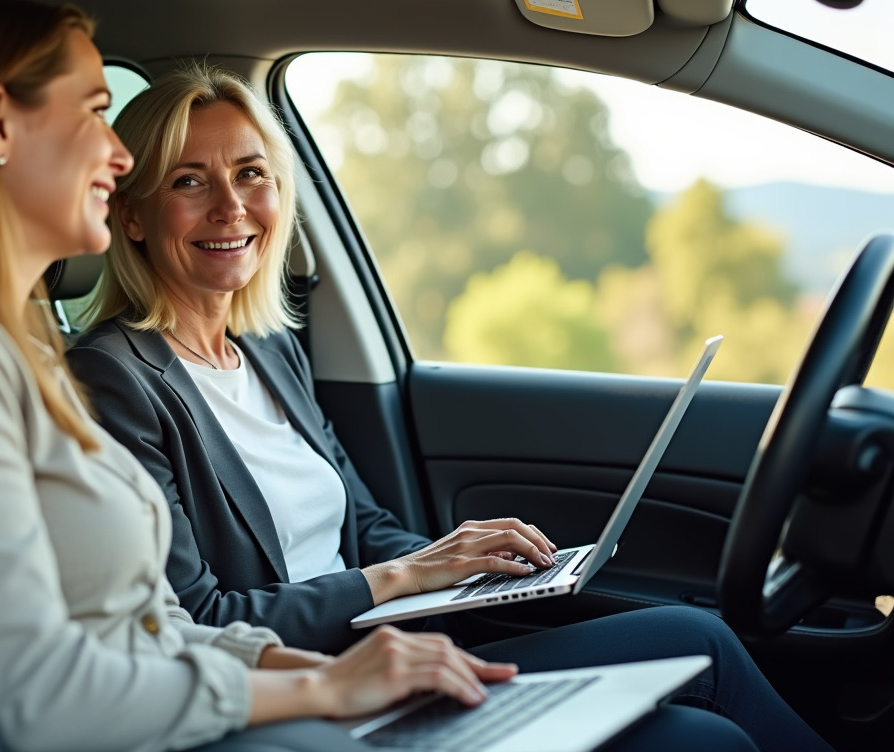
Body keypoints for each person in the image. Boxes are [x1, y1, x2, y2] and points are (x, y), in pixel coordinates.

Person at [0, 0, 547, 752]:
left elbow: (144, 621)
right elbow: (28, 689)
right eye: (96, 111)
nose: (119, 152)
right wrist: (322, 692)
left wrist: (314, 673)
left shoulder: (3, 347)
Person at [66, 62, 833, 752]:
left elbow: (361, 527)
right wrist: (403, 578)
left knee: (698, 637)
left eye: (251, 173)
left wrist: (471, 566)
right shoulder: (112, 382)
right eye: (189, 181)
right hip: (310, 694)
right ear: (131, 215)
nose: (232, 205)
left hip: (401, 653)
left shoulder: (268, 350)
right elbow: (198, 620)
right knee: (699, 738)